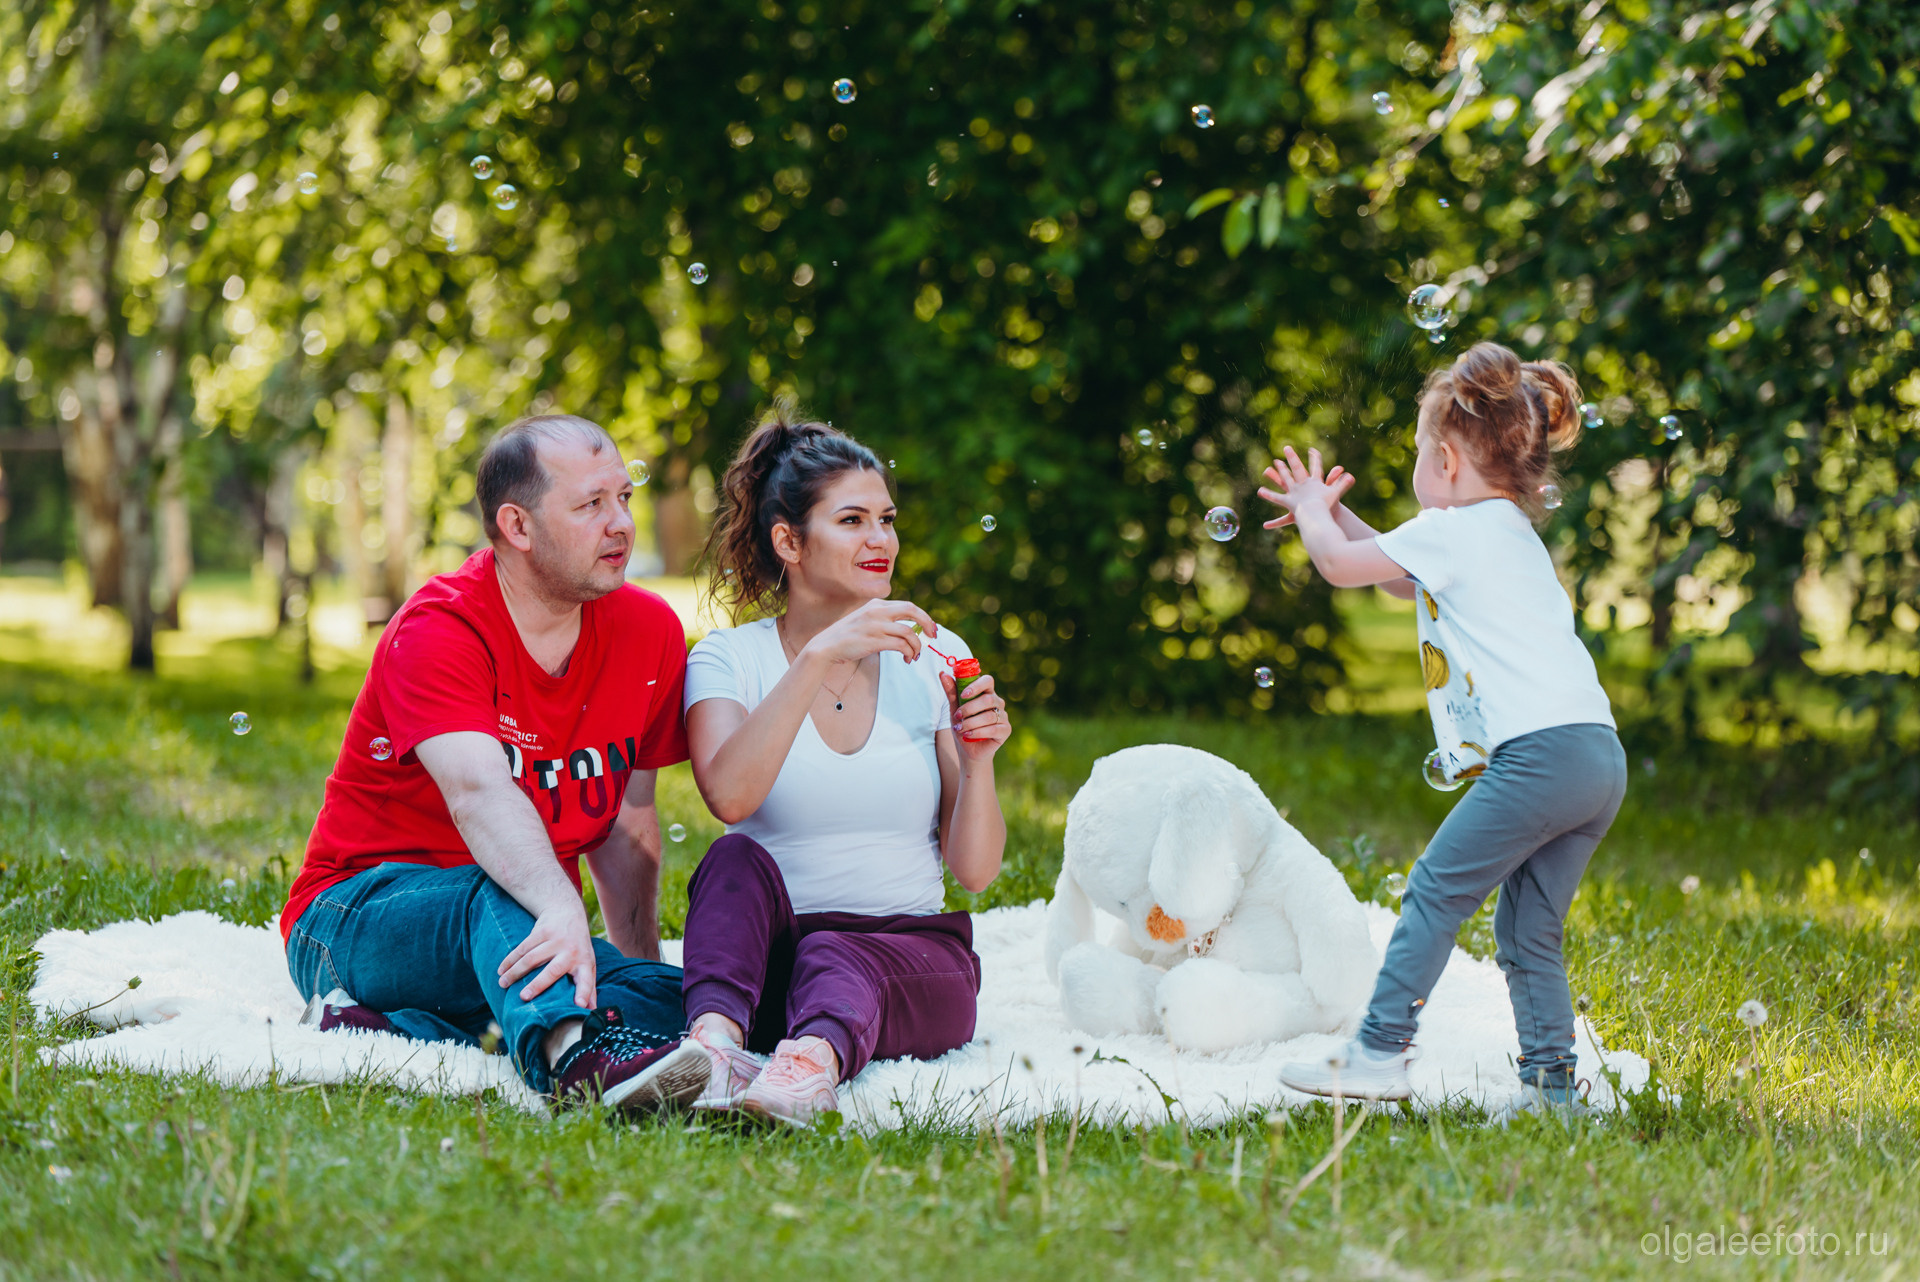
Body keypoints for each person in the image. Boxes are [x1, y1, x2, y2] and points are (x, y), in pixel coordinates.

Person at [281, 414, 711, 1113]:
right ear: (517, 525)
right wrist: (560, 906)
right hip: (354, 918)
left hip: (518, 926)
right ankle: (574, 1061)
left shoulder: (650, 632)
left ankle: (389, 1031)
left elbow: (630, 827)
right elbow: (482, 793)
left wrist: (634, 970)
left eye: (624, 498)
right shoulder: (440, 628)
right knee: (500, 889)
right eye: (590, 505)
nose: (622, 524)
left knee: (697, 1002)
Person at [1259, 343, 1625, 1113]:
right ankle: (1553, 1088)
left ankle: (1378, 1052)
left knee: (1433, 891)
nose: (1418, 468)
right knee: (1529, 932)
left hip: (1541, 757)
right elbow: (1391, 567)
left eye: (1421, 452)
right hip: (1596, 756)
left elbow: (1341, 567)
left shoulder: (1453, 532)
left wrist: (1317, 519)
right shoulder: (1505, 531)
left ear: (1450, 461)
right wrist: (1326, 512)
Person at [671, 399, 1012, 1125]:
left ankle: (808, 1068)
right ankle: (715, 1051)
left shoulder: (930, 653)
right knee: (732, 862)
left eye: (885, 519)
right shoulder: (730, 657)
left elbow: (975, 871)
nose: (880, 539)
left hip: (910, 964)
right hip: (775, 972)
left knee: (837, 955)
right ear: (789, 543)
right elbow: (729, 796)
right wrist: (826, 650)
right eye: (852, 521)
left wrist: (979, 762)